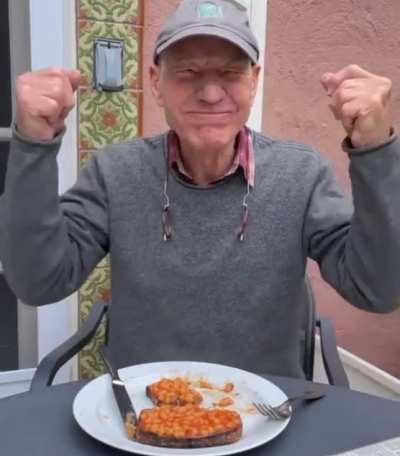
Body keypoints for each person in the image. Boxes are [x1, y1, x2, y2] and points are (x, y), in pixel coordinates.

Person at [0, 0, 399, 378]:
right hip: (144, 414)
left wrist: (376, 150)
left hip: (267, 413)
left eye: (230, 73)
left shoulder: (302, 173)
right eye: (188, 72)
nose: (210, 94)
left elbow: (379, 290)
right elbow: (39, 281)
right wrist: (34, 144)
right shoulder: (115, 171)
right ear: (156, 81)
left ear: (254, 80)